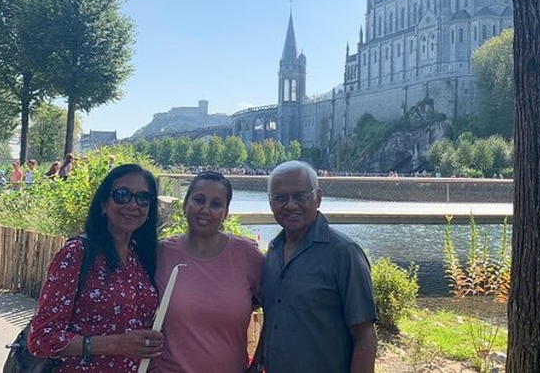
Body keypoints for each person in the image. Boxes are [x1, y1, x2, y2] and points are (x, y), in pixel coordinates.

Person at [28, 164, 163, 372]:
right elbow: (41, 338)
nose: (133, 204)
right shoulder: (77, 254)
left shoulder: (141, 256)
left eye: (143, 197)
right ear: (103, 204)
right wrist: (116, 344)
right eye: (122, 195)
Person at [256, 160, 376, 373]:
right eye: (281, 198)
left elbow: (365, 338)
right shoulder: (273, 252)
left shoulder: (344, 253)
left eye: (300, 196)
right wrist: (257, 365)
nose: (291, 205)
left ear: (318, 198)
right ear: (270, 202)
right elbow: (274, 319)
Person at [150, 171, 264, 373]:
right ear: (185, 205)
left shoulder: (247, 255)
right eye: (199, 200)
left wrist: (259, 362)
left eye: (216, 204)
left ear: (226, 213)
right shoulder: (161, 253)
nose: (205, 209)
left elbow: (278, 310)